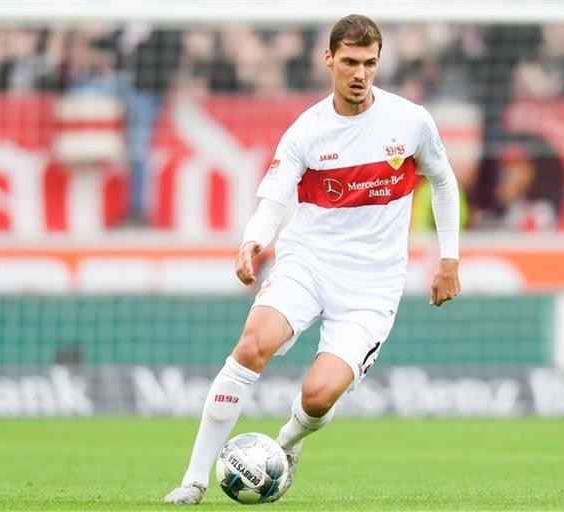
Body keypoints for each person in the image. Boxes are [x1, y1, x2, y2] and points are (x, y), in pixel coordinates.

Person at [164, 14, 461, 505]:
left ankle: (284, 446)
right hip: (309, 263)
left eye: (369, 63)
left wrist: (449, 259)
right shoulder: (306, 131)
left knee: (318, 396)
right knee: (251, 344)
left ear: (379, 61)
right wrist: (251, 241)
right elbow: (275, 202)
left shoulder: (411, 121)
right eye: (349, 61)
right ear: (329, 59)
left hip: (372, 285)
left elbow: (445, 181)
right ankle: (194, 481)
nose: (359, 74)